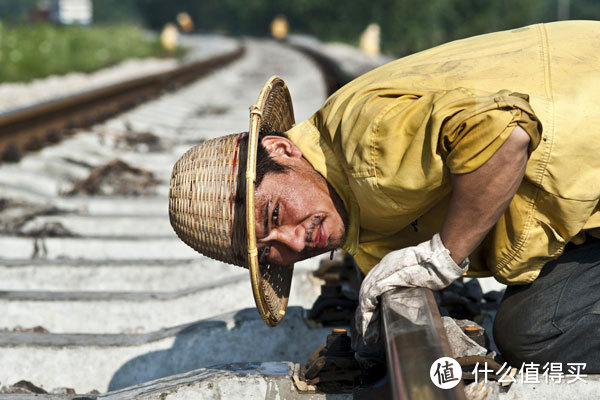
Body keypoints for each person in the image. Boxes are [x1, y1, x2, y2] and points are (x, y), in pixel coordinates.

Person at [169, 20, 600, 371]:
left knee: (534, 334)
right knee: (530, 327)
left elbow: (505, 136)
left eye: (275, 214)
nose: (295, 242)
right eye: (269, 252)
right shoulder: (354, 210)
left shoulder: (364, 146)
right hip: (583, 201)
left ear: (281, 149)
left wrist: (441, 257)